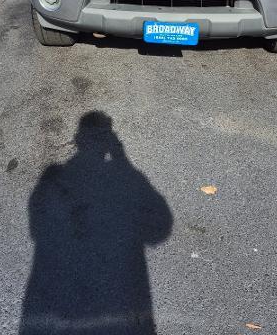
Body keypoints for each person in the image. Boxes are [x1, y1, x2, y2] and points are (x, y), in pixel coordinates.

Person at [19, 112, 173, 335]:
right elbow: (160, 228)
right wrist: (123, 161)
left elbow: (37, 228)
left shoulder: (52, 177)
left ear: (78, 139)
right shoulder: (123, 177)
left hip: (58, 303)